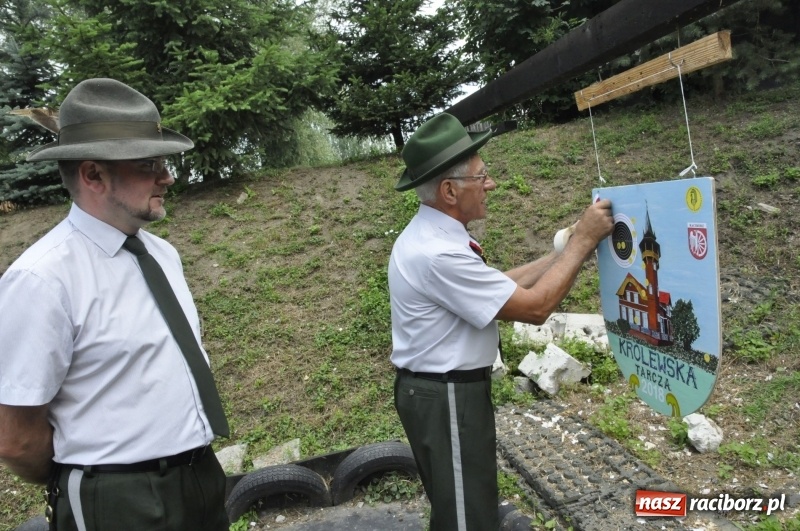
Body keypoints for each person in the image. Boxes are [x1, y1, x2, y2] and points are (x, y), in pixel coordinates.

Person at [0, 78, 230, 530]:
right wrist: (97, 481)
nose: (167, 177)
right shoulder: (43, 278)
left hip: (200, 478)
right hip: (119, 502)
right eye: (150, 164)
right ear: (93, 175)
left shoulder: (162, 254)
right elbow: (15, 437)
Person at [388, 113, 614, 530]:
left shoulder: (435, 236)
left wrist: (559, 253)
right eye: (481, 176)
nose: (490, 184)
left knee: (461, 506)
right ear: (450, 190)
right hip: (447, 398)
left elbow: (496, 287)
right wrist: (583, 241)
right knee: (466, 520)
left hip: (441, 394)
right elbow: (532, 308)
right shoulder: (439, 253)